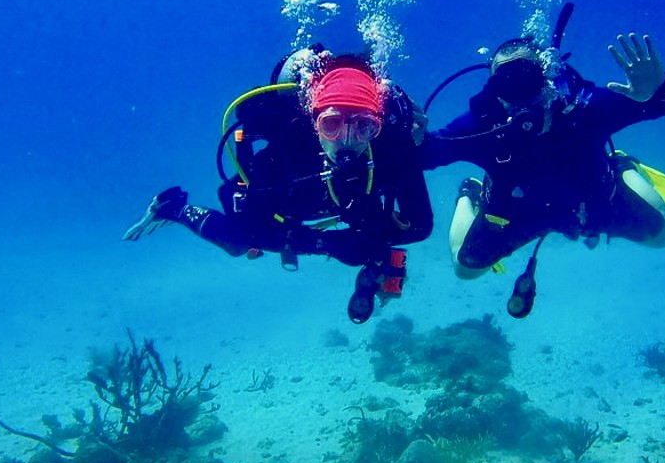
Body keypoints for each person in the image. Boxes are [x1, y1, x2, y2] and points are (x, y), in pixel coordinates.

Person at [124, 49, 433, 325]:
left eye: (364, 126)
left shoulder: (392, 149)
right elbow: (253, 229)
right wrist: (327, 244)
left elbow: (420, 225)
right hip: (289, 203)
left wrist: (370, 240)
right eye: (331, 124)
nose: (346, 141)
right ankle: (172, 206)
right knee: (238, 243)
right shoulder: (288, 152)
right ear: (313, 122)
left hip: (342, 203)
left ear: (378, 127)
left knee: (376, 232)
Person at [420, 30, 665, 317]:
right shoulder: (481, 127)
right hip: (516, 214)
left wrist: (655, 91)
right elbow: (425, 154)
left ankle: (622, 166)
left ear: (547, 77)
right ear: (494, 92)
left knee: (663, 236)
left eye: (527, 78)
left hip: (591, 203)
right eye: (506, 83)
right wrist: (409, 133)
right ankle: (470, 193)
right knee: (465, 269)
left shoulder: (586, 110)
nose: (520, 94)